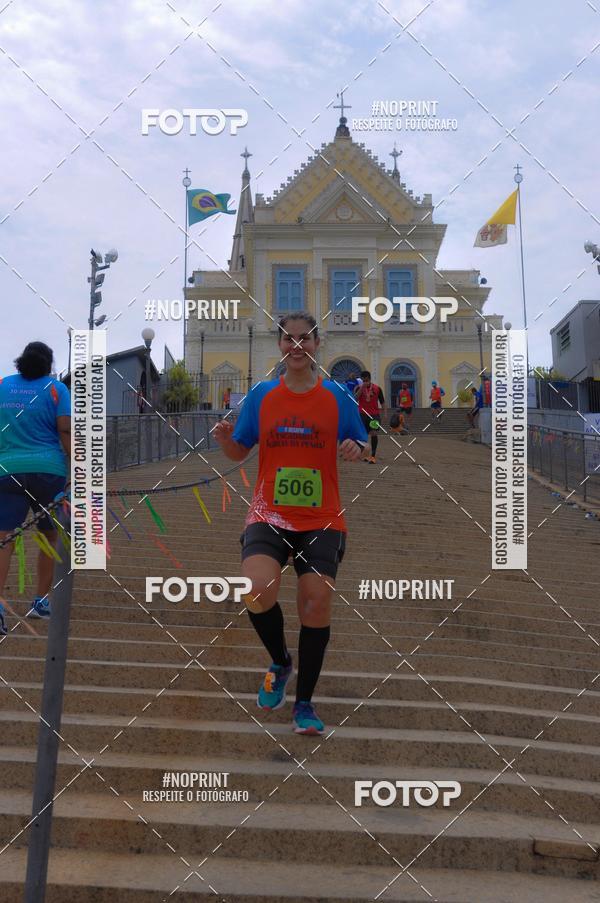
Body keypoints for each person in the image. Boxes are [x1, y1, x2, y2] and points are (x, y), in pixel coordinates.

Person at [214, 311, 367, 735]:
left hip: (322, 518)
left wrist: (357, 447)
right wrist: (227, 440)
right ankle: (281, 661)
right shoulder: (263, 395)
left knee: (315, 603)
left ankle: (304, 703)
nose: (296, 346)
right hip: (268, 513)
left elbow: (363, 441)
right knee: (256, 588)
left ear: (318, 344)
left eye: (304, 338)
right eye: (288, 339)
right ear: (279, 345)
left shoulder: (337, 395)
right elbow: (238, 452)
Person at [0, 342, 71, 632]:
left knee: (4, 538)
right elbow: (65, 429)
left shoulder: (3, 385)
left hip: (8, 471)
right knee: (50, 534)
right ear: (48, 364)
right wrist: (82, 471)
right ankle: (40, 601)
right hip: (48, 472)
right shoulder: (56, 389)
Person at [355, 371, 385, 463]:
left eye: (366, 379)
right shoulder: (358, 388)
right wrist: (362, 387)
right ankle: (365, 455)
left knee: (374, 433)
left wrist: (385, 413)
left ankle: (373, 456)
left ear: (369, 378)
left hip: (374, 415)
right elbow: (355, 398)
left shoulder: (377, 388)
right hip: (362, 415)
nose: (364, 381)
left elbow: (382, 401)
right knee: (363, 436)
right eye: (363, 380)